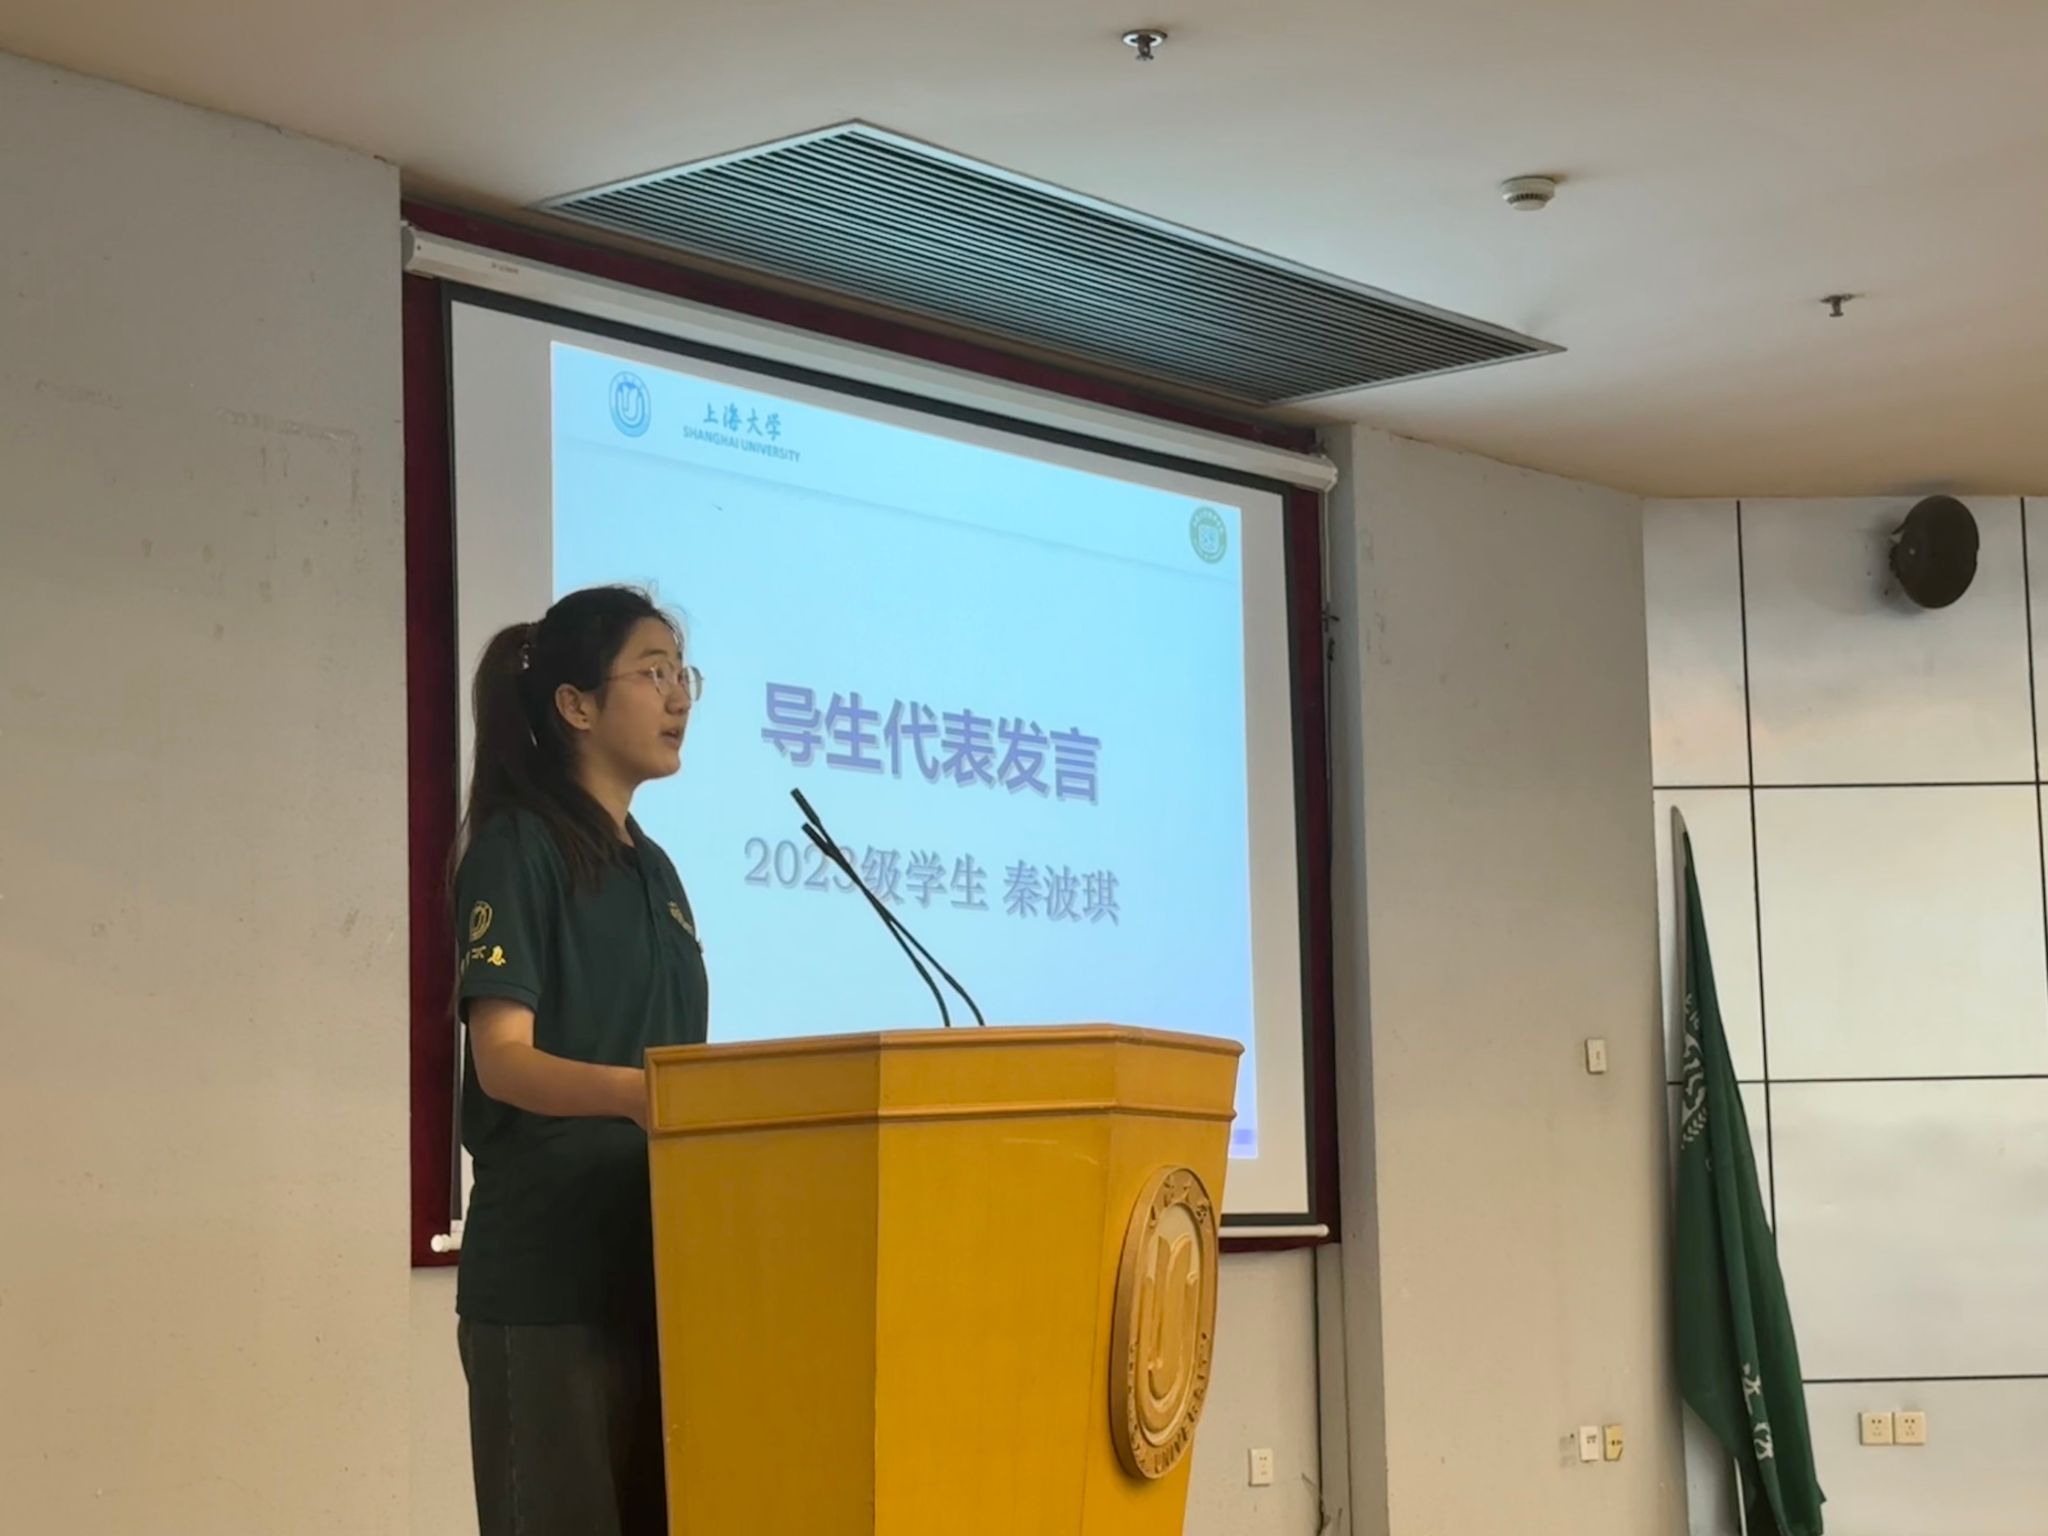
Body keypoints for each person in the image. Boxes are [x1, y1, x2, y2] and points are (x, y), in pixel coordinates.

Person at [450, 585, 707, 1536]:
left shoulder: (657, 870)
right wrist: (643, 1096)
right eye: (653, 671)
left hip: (652, 1270)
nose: (678, 695)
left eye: (684, 674)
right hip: (548, 1283)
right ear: (576, 705)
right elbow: (504, 1063)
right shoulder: (518, 848)